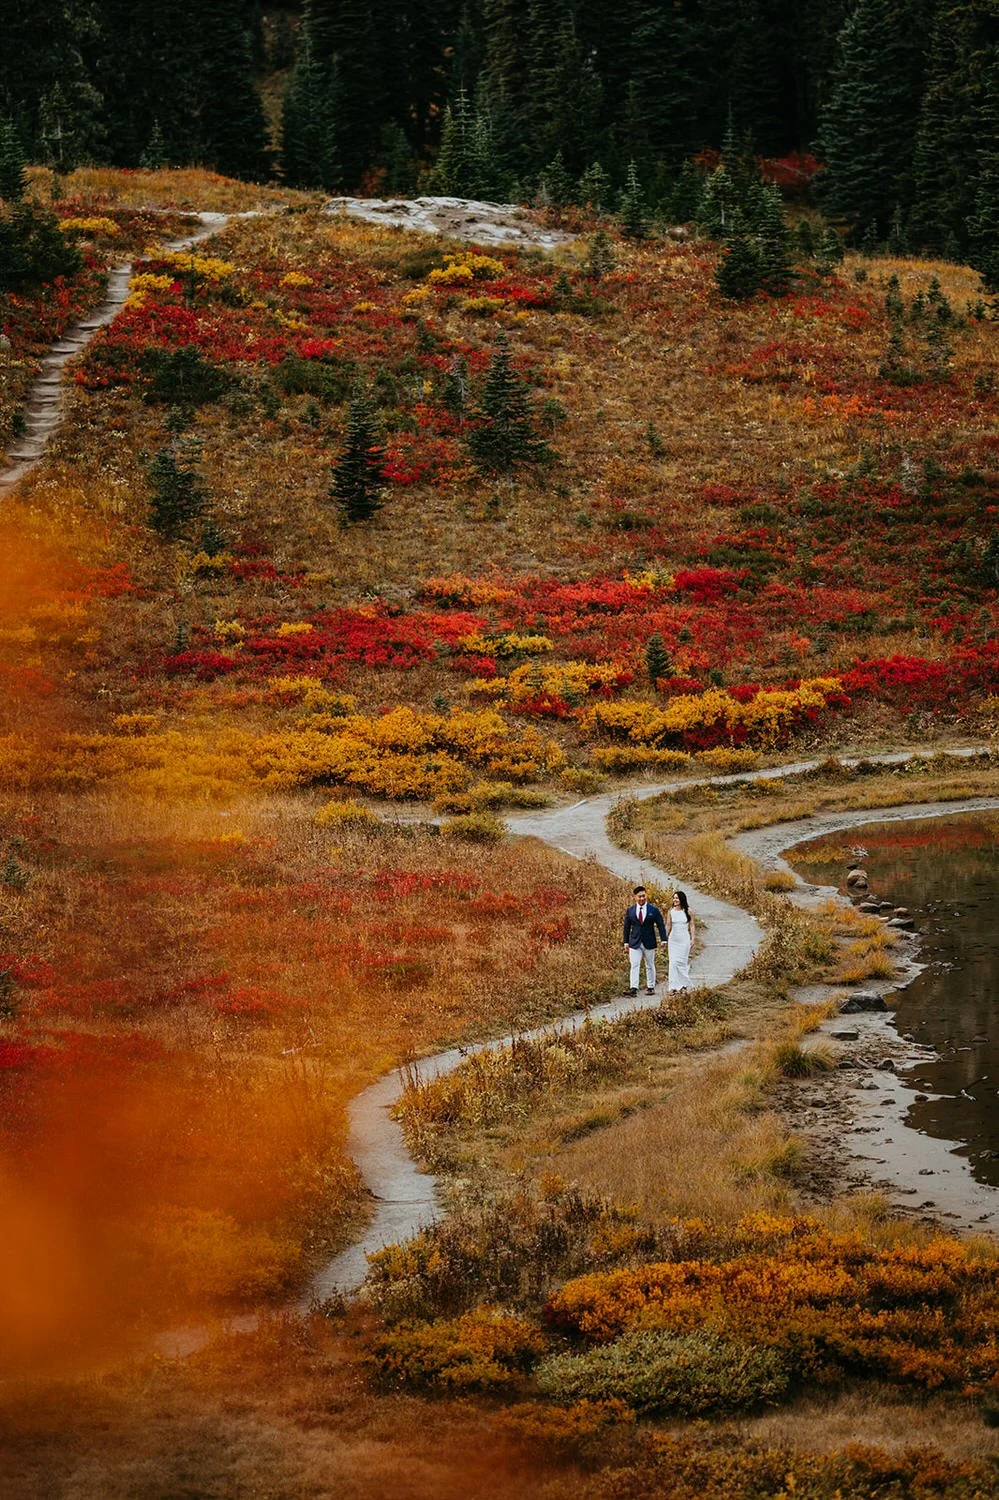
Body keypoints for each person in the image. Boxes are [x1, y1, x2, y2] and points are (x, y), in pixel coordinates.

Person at [622, 884, 667, 996]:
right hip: (635, 942)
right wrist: (626, 942)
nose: (642, 898)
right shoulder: (630, 910)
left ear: (646, 895)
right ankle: (633, 988)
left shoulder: (653, 910)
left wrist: (663, 939)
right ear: (635, 897)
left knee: (650, 964)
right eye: (639, 896)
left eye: (643, 896)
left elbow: (660, 925)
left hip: (649, 941)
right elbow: (627, 927)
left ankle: (650, 986)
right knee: (635, 964)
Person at [666, 890, 695, 993]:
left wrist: (692, 939)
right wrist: (665, 938)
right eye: (674, 898)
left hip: (684, 940)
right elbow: (668, 925)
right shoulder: (671, 911)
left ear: (682, 899)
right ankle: (672, 986)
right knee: (673, 963)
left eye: (677, 898)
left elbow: (691, 925)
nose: (675, 900)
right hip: (673, 940)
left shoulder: (688, 911)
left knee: (682, 963)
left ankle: (683, 985)